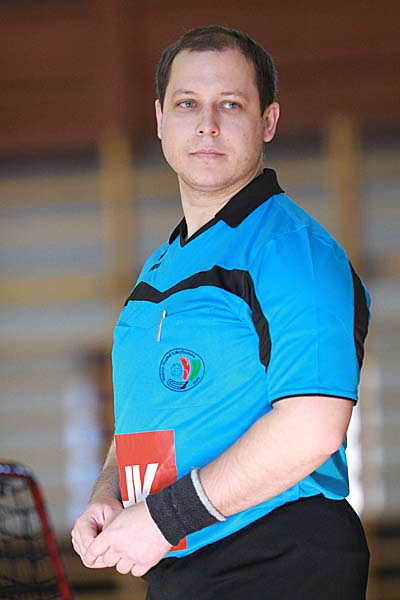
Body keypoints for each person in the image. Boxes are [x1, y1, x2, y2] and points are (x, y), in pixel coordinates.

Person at [72, 25, 371, 599]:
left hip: (276, 558)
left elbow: (313, 427)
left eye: (230, 104)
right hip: (184, 561)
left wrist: (163, 519)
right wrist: (109, 494)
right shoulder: (164, 264)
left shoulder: (292, 252)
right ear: (160, 120)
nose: (207, 123)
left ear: (268, 121)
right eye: (187, 103)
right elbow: (145, 416)